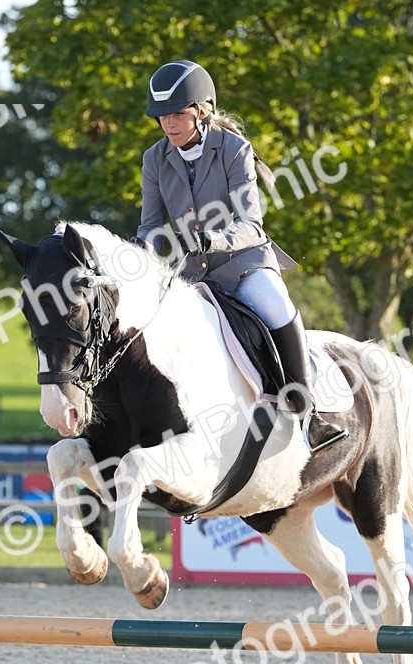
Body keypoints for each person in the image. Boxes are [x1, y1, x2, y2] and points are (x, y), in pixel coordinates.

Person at [136, 59, 348, 454]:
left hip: (243, 264)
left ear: (203, 111)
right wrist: (143, 250)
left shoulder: (235, 149)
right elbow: (149, 224)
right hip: (192, 274)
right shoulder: (154, 159)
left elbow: (251, 224)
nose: (168, 124)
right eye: (162, 116)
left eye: (177, 114)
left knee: (278, 307)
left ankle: (310, 413)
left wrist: (210, 240)